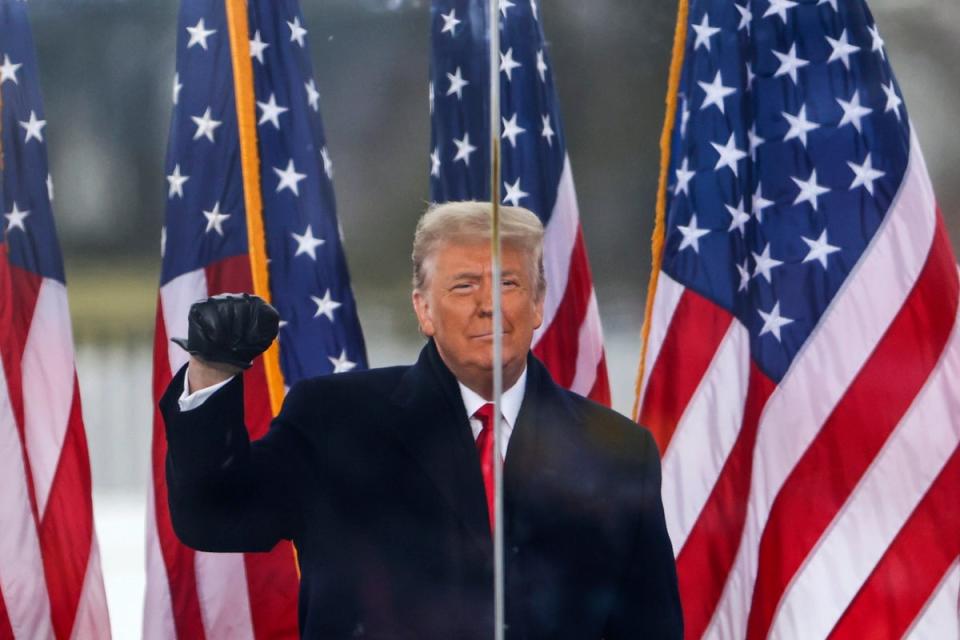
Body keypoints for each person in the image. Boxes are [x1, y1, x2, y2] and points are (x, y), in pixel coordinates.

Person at [161, 201, 683, 639]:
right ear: (423, 309)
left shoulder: (616, 450)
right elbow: (213, 514)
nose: (489, 307)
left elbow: (649, 626)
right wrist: (214, 369)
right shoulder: (334, 420)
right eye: (463, 286)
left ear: (539, 302)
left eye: (508, 283)